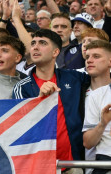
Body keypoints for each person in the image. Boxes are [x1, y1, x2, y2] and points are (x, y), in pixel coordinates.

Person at [12, 29, 90, 170]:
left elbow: (101, 75)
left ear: (55, 52)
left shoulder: (74, 78)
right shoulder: (21, 88)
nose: (35, 47)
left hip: (73, 164)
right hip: (39, 166)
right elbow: (20, 129)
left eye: (42, 43)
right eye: (33, 43)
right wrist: (39, 101)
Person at [82, 40, 111, 174]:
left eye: (96, 56)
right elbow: (87, 142)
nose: (89, 60)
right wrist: (103, 123)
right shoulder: (77, 89)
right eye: (87, 57)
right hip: (94, 166)